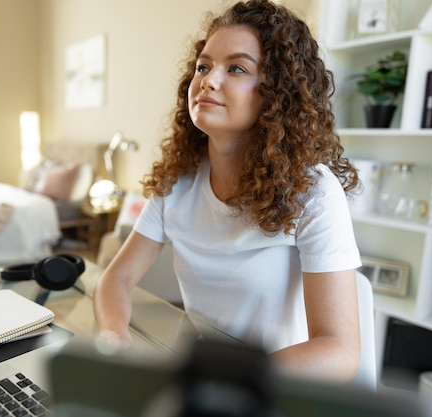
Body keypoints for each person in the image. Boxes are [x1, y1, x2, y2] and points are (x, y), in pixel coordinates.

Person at [93, 0, 362, 384]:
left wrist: (221, 375)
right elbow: (114, 281)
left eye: (236, 68)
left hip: (272, 387)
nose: (208, 80)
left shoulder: (313, 192)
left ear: (277, 93)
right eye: (203, 66)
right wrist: (113, 340)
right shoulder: (178, 182)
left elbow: (339, 350)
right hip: (200, 379)